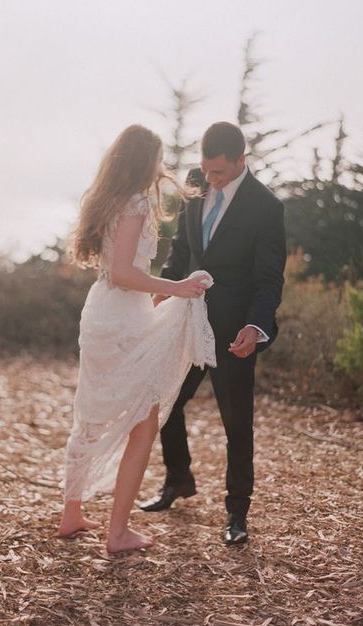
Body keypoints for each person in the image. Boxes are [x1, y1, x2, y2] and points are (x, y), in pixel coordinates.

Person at [58, 124, 216, 553]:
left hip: (104, 310)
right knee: (144, 423)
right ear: (147, 159)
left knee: (91, 412)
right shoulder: (135, 202)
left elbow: (116, 273)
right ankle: (117, 533)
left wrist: (163, 290)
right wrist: (180, 287)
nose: (161, 166)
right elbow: (126, 273)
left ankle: (72, 514)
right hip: (122, 315)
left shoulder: (106, 199)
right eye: (158, 157)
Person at [141, 122, 286, 546]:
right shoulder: (195, 182)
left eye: (219, 172)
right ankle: (179, 479)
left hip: (233, 331)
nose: (210, 180)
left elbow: (269, 277)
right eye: (206, 171)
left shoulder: (266, 207)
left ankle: (237, 511)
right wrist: (162, 293)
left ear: (243, 159)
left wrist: (256, 327)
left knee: (236, 422)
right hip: (184, 321)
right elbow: (183, 252)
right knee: (165, 401)